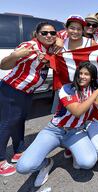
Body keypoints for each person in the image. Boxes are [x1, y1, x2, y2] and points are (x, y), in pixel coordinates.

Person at [16, 62, 98, 187]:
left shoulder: (94, 88)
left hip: (76, 132)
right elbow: (77, 111)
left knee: (87, 163)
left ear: (92, 77)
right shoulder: (67, 88)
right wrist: (96, 93)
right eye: (80, 73)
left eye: (86, 74)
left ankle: (73, 151)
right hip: (54, 131)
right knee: (23, 167)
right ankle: (46, 163)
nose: (82, 76)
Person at [0, 22, 57, 176]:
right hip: (13, 89)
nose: (49, 35)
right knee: (7, 123)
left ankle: (18, 151)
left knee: (19, 120)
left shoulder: (49, 49)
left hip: (27, 91)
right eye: (44, 33)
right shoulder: (30, 46)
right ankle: (0, 161)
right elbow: (3, 65)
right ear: (37, 34)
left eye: (52, 33)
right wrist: (15, 56)